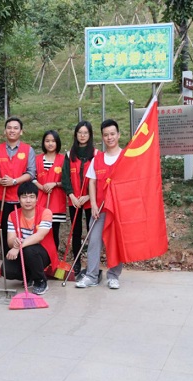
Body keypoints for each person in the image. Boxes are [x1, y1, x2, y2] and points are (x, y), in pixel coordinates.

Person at [76, 119, 123, 290]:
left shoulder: (126, 157)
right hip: (100, 209)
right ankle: (91, 276)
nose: (109, 137)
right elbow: (92, 182)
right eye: (106, 135)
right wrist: (94, 204)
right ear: (102, 137)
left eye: (112, 134)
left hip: (118, 210)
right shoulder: (98, 159)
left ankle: (113, 276)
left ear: (118, 135)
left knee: (115, 243)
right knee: (94, 241)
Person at [0, 117, 36, 257]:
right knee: (5, 229)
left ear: (21, 131)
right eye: (9, 128)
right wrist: (0, 181)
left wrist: (14, 181)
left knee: (24, 229)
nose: (12, 130)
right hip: (4, 198)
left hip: (23, 198)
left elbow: (31, 173)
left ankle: (24, 258)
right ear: (5, 131)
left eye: (16, 128)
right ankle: (7, 260)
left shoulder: (28, 150)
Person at [3, 181, 58, 295]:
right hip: (23, 252)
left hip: (42, 253)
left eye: (32, 197)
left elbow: (39, 236)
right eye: (24, 197)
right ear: (19, 199)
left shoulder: (46, 212)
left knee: (30, 250)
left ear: (37, 199)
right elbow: (10, 240)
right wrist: (14, 243)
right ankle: (30, 276)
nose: (28, 200)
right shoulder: (13, 215)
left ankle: (41, 281)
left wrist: (17, 247)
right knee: (6, 269)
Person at [61, 121, 97, 275]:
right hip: (74, 200)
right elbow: (65, 177)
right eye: (80, 132)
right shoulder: (69, 154)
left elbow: (99, 178)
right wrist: (71, 195)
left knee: (91, 231)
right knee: (76, 232)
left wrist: (89, 196)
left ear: (90, 135)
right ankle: (76, 262)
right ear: (76, 134)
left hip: (90, 199)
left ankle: (92, 264)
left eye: (85, 133)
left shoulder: (96, 154)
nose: (82, 135)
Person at [34, 130, 67, 249]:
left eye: (53, 141)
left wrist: (55, 184)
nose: (50, 143)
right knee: (38, 230)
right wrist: (41, 187)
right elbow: (32, 177)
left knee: (54, 232)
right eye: (47, 141)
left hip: (56, 201)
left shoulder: (64, 159)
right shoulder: (37, 159)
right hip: (39, 200)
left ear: (57, 142)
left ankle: (53, 257)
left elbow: (68, 181)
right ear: (43, 143)